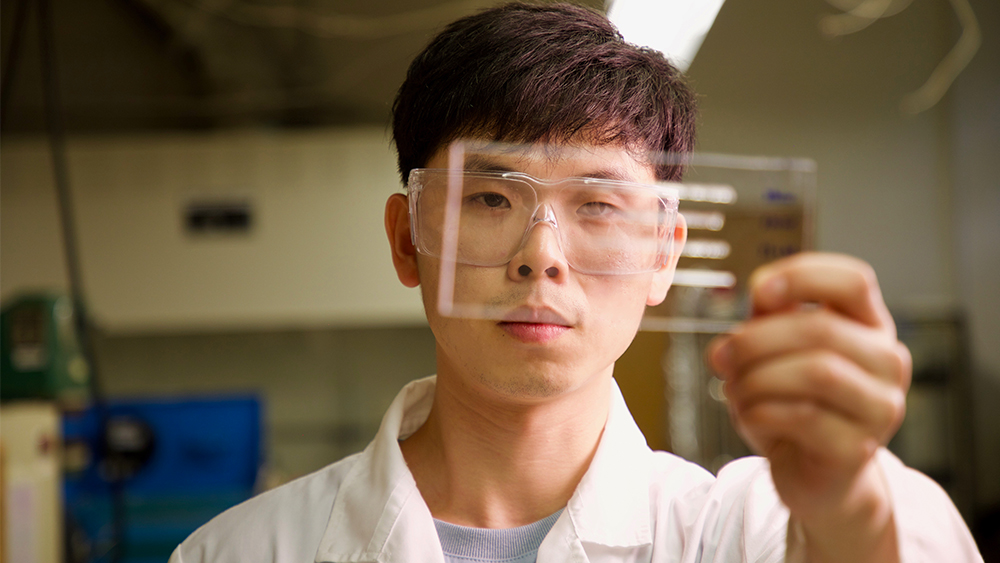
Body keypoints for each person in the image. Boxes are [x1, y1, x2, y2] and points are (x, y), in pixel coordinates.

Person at [170, 3, 982, 562]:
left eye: (597, 203)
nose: (541, 256)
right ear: (406, 236)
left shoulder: (740, 528)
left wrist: (851, 499)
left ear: (665, 252)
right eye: (492, 197)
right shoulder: (243, 549)